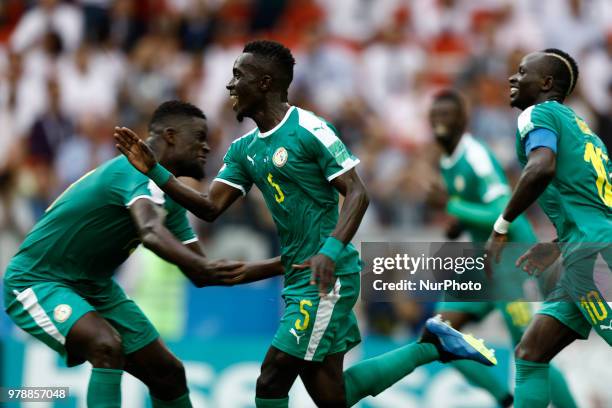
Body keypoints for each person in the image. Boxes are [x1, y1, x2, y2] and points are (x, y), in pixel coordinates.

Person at [115, 40, 497, 408]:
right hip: (299, 276)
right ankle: (431, 345)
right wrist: (156, 171)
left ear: (264, 83)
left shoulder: (309, 129)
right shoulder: (243, 149)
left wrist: (329, 252)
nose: (229, 84)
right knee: (334, 396)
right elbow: (209, 207)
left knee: (272, 377)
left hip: (327, 276)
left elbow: (357, 193)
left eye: (237, 74)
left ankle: (432, 344)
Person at [3, 100, 282, 408]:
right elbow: (150, 232)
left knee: (169, 373)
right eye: (199, 138)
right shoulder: (131, 173)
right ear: (171, 136)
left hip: (94, 287)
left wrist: (286, 264)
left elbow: (202, 273)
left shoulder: (170, 197)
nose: (206, 147)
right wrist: (204, 265)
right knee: (105, 345)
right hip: (37, 281)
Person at [428, 89, 576, 407]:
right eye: (435, 115)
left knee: (531, 351)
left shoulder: (475, 156)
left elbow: (501, 209)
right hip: (484, 263)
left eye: (446, 115)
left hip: (512, 260)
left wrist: (453, 205)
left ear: (463, 120)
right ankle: (503, 398)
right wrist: (458, 222)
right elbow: (474, 210)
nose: (439, 121)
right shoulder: (446, 160)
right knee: (436, 335)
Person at [486, 48, 612, 408]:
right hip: (586, 249)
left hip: (592, 257)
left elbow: (541, 167)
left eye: (522, 71)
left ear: (545, 83)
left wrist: (502, 225)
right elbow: (593, 204)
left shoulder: (536, 114)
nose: (513, 77)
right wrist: (557, 243)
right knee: (530, 352)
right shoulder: (585, 133)